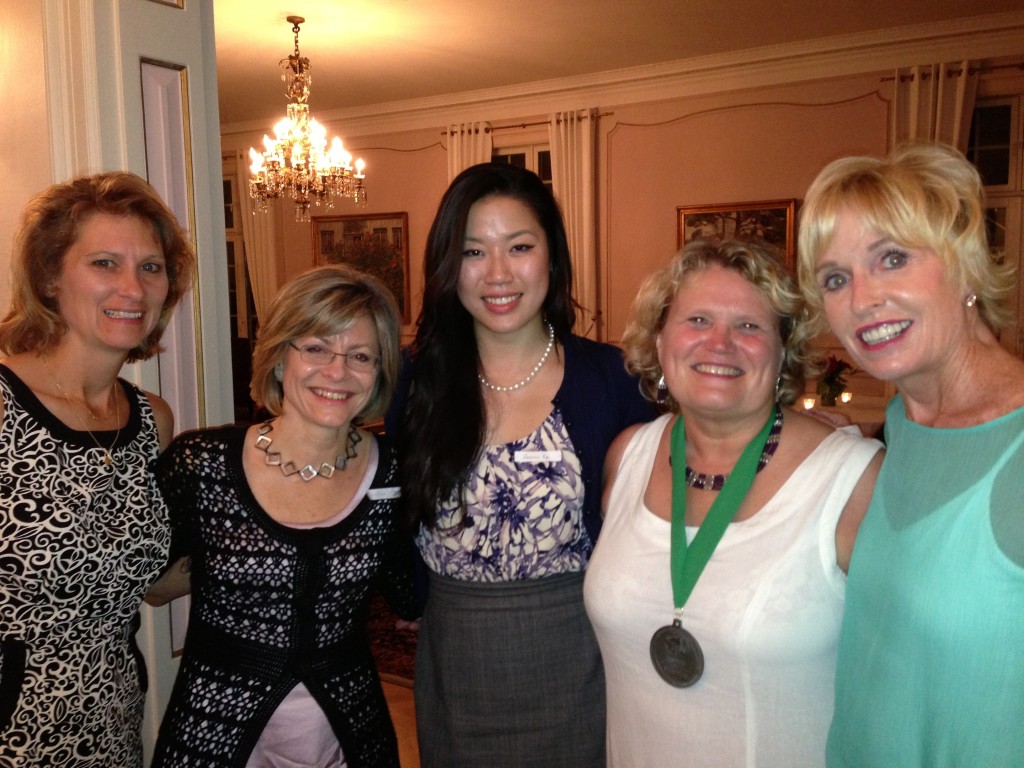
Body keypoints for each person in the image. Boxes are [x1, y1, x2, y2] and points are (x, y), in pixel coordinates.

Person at [385, 162, 655, 767]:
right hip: (454, 665)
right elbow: (391, 497)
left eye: (520, 247)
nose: (498, 273)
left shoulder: (614, 380)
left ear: (552, 257)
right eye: (474, 251)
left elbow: (696, 462)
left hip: (581, 660)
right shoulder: (416, 381)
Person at [584, 238, 884, 767]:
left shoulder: (851, 482)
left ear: (783, 350)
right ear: (659, 340)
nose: (719, 344)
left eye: (749, 326)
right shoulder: (627, 457)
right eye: (697, 320)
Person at [797, 141, 1024, 767]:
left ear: (967, 267)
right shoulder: (903, 423)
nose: (861, 299)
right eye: (836, 279)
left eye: (891, 259)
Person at [151, 265, 417, 768]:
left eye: (361, 356)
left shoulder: (394, 474)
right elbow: (150, 584)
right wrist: (231, 559)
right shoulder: (201, 463)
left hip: (348, 736)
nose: (337, 372)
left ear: (380, 372)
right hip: (215, 732)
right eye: (315, 348)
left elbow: (409, 592)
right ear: (278, 356)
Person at [0, 171, 196, 766]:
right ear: (50, 278)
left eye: (151, 267)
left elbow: (150, 584)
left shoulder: (150, 421)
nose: (132, 288)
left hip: (111, 726)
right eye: (105, 263)